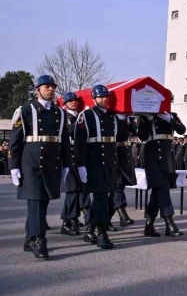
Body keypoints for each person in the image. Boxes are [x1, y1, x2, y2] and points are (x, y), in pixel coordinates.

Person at [9, 75, 72, 259]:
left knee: (42, 201)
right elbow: (14, 142)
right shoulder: (26, 111)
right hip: (31, 163)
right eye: (46, 87)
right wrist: (14, 166)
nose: (50, 89)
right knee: (35, 200)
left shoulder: (60, 113)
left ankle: (29, 237)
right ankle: (39, 240)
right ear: (37, 90)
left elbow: (64, 142)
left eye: (52, 86)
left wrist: (67, 164)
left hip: (52, 164)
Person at [74, 84, 124, 249]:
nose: (105, 99)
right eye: (101, 97)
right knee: (101, 197)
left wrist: (125, 119)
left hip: (109, 163)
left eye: (106, 96)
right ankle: (102, 233)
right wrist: (80, 165)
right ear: (94, 98)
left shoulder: (113, 116)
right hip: (93, 163)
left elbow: (122, 137)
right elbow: (80, 143)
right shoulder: (86, 115)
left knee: (105, 198)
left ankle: (90, 228)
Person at [136, 110, 186, 237]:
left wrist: (170, 120)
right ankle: (170, 224)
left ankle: (149, 225)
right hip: (152, 156)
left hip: (167, 156)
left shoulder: (172, 115)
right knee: (163, 188)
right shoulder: (145, 116)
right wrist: (147, 120)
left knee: (157, 193)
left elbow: (182, 130)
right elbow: (142, 136)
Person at [60, 91, 90, 237]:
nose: (74, 102)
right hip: (68, 157)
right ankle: (69, 221)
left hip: (81, 157)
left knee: (81, 190)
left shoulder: (81, 117)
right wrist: (80, 118)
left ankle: (69, 220)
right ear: (65, 103)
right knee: (72, 191)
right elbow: (67, 132)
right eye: (70, 100)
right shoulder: (62, 116)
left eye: (76, 100)